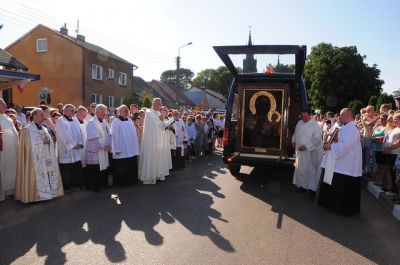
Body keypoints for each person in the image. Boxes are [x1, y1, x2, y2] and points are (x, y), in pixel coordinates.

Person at [318, 108, 362, 215]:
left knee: (342, 189)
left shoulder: (351, 128)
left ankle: (341, 209)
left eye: (341, 115)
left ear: (348, 116)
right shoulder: (345, 127)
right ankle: (332, 205)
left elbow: (345, 146)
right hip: (340, 163)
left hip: (346, 165)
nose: (339, 117)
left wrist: (331, 146)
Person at [15, 108, 64, 203]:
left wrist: (49, 141)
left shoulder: (44, 128)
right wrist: (42, 142)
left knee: (48, 172)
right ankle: (35, 195)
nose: (44, 117)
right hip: (34, 160)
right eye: (41, 115)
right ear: (34, 116)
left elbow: (49, 140)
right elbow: (27, 146)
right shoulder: (27, 130)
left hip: (46, 156)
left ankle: (49, 193)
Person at [139, 98, 171, 184]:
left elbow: (162, 125)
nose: (159, 106)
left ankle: (157, 174)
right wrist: (161, 118)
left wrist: (171, 120)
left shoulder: (158, 113)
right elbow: (156, 122)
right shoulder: (149, 112)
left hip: (157, 139)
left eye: (160, 104)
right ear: (153, 104)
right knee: (151, 157)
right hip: (150, 140)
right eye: (157, 104)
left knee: (157, 157)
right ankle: (149, 176)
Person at [292, 109, 323, 196]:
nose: (304, 118)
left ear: (310, 115)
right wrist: (293, 141)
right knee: (300, 169)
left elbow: (317, 139)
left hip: (309, 152)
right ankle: (302, 186)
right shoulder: (300, 123)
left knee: (309, 170)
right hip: (299, 152)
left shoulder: (315, 125)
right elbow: (295, 133)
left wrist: (306, 146)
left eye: (305, 116)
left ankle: (310, 189)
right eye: (302, 116)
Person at [55, 104, 84, 192]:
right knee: (67, 170)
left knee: (76, 168)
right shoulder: (60, 121)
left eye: (74, 110)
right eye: (72, 110)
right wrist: (74, 145)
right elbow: (63, 135)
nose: (74, 112)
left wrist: (80, 143)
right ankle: (67, 187)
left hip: (76, 149)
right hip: (66, 150)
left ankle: (76, 185)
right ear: (65, 111)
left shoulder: (75, 119)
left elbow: (80, 132)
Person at [111, 105, 140, 186]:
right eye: (125, 111)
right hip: (122, 149)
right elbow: (114, 136)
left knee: (131, 165)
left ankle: (132, 181)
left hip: (131, 148)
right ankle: (122, 183)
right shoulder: (116, 121)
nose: (127, 112)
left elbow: (134, 134)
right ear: (119, 112)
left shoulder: (130, 120)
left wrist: (135, 147)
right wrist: (116, 149)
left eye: (127, 110)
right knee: (122, 167)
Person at [85, 104, 111, 191]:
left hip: (104, 149)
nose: (105, 114)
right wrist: (101, 146)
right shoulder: (92, 122)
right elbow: (93, 137)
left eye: (105, 112)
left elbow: (109, 134)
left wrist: (108, 145)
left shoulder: (104, 121)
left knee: (104, 167)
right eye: (104, 112)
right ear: (98, 112)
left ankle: (103, 184)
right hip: (96, 151)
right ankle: (95, 186)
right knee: (95, 168)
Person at [0, 99, 19, 201]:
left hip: (12, 149)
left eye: (4, 104)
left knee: (12, 169)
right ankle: (2, 194)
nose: (5, 106)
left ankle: (11, 191)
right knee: (2, 170)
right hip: (3, 150)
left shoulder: (8, 117)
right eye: (2, 105)